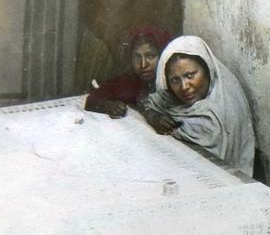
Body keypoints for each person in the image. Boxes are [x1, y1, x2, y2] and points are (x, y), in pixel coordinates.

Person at [142, 36, 256, 176]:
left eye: (190, 75)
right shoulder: (170, 98)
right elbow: (151, 103)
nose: (184, 87)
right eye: (174, 80)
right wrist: (155, 117)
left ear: (208, 69)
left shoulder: (222, 107)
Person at [84, 26, 172, 118]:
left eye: (150, 56)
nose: (143, 65)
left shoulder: (174, 81)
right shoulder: (131, 81)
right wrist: (108, 105)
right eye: (137, 57)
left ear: (162, 56)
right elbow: (92, 100)